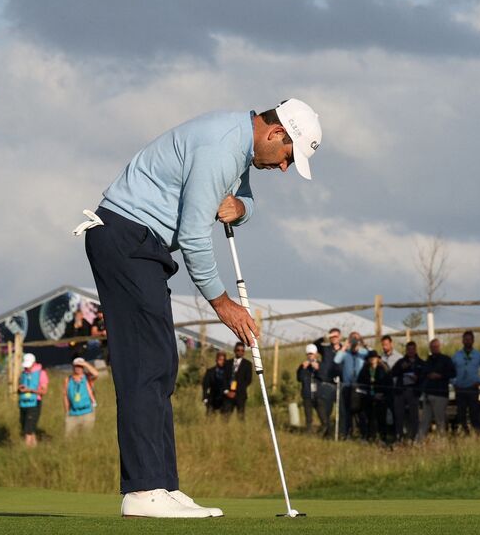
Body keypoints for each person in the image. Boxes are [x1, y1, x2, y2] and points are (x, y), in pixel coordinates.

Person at [75, 98, 321, 518]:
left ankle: (163, 485)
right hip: (127, 239)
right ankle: (143, 490)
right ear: (276, 134)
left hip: (140, 245)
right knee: (146, 364)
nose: (283, 167)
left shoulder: (240, 146)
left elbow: (242, 202)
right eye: (287, 157)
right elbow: (193, 236)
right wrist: (222, 304)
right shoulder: (222, 148)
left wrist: (240, 208)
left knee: (161, 363)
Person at [415, 338, 456, 442]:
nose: (434, 348)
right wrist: (428, 375)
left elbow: (453, 373)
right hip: (428, 394)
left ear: (439, 347)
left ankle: (442, 443)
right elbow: (423, 375)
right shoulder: (428, 361)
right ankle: (418, 443)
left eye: (436, 347)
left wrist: (440, 376)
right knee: (424, 420)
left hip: (441, 394)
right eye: (432, 347)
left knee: (440, 421)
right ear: (430, 348)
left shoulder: (446, 359)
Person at [451, 331, 480, 433]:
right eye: (465, 339)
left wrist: (479, 381)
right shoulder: (456, 355)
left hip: (473, 388)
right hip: (460, 389)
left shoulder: (479, 355)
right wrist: (454, 382)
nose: (467, 341)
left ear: (473, 341)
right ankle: (464, 433)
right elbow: (450, 371)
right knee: (461, 414)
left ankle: (477, 434)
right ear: (462, 341)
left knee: (474, 413)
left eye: (469, 339)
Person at [335, 331, 367, 439]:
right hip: (347, 386)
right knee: (346, 411)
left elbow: (372, 354)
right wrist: (345, 346)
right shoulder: (345, 353)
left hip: (360, 385)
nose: (354, 341)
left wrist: (363, 343)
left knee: (361, 411)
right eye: (352, 338)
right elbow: (336, 360)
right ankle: (347, 433)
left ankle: (363, 434)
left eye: (356, 339)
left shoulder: (363, 352)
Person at [391, 341, 423, 441]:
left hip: (413, 391)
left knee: (414, 416)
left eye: (412, 349)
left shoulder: (420, 363)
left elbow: (424, 377)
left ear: (415, 350)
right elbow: (392, 373)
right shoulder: (401, 361)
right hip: (400, 391)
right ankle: (399, 437)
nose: (410, 351)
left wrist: (417, 378)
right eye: (408, 350)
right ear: (406, 350)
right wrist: (401, 368)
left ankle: (414, 437)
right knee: (399, 415)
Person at [354, 350, 389, 442]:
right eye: (371, 358)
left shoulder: (383, 369)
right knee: (368, 418)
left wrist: (382, 394)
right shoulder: (365, 369)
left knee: (381, 418)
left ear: (377, 359)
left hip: (381, 397)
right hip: (368, 397)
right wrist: (368, 393)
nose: (373, 359)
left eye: (374, 358)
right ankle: (369, 436)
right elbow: (360, 382)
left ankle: (382, 437)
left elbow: (387, 382)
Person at [18, 352, 48, 447]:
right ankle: (34, 448)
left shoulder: (41, 373)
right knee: (28, 428)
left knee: (28, 429)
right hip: (23, 404)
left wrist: (30, 390)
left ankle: (27, 449)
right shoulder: (23, 374)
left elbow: (43, 391)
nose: (27, 368)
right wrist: (20, 389)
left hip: (34, 404)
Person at [65, 357, 100, 436]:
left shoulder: (88, 378)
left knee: (87, 435)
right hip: (73, 413)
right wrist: (67, 411)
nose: (78, 368)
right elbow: (65, 396)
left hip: (87, 412)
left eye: (80, 366)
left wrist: (85, 363)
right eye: (76, 366)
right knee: (69, 436)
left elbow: (96, 374)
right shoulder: (68, 379)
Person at [296, 344, 322, 433]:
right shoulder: (303, 366)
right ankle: (309, 432)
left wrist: (318, 369)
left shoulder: (320, 364)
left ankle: (325, 432)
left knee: (322, 415)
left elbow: (323, 377)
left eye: (312, 354)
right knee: (308, 416)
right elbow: (299, 378)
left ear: (316, 354)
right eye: (309, 354)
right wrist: (303, 368)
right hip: (307, 394)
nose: (310, 356)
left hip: (318, 394)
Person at [201, 351, 233, 416]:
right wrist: (205, 398)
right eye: (220, 360)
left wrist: (231, 392)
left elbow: (233, 382)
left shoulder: (229, 372)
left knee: (225, 418)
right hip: (212, 397)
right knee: (210, 418)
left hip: (224, 398)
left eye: (224, 360)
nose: (222, 362)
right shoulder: (210, 372)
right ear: (216, 360)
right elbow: (205, 386)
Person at [228, 342, 253, 416]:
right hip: (228, 394)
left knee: (241, 416)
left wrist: (236, 390)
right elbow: (225, 378)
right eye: (238, 350)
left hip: (240, 394)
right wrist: (228, 391)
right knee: (225, 417)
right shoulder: (228, 363)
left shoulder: (247, 364)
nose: (240, 352)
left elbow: (248, 380)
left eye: (242, 350)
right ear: (235, 350)